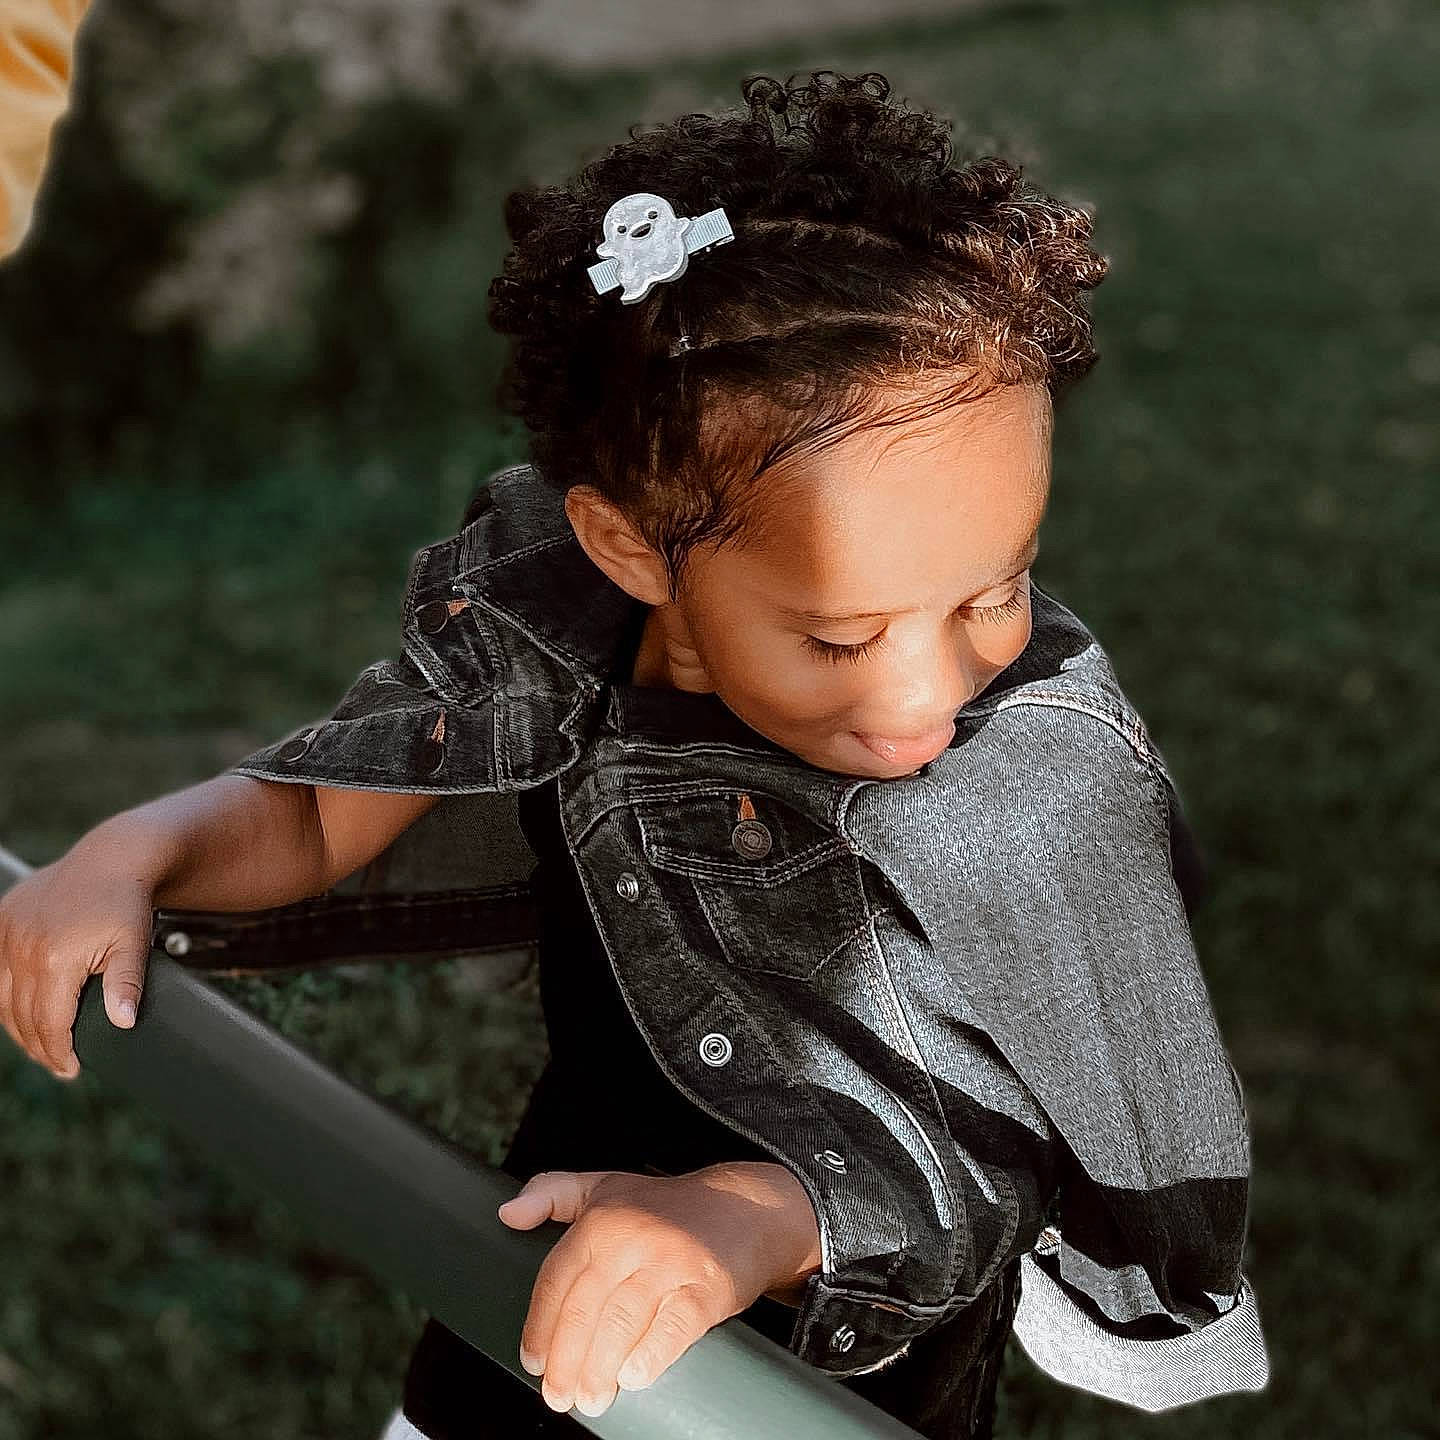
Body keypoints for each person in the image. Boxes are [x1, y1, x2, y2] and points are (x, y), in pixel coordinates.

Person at [0, 70, 1270, 1440]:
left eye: (994, 591)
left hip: (815, 1391)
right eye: (842, 638)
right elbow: (325, 819)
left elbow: (996, 1142)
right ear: (630, 546)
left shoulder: (1028, 780)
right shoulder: (559, 619)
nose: (931, 692)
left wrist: (748, 1221)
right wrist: (140, 851)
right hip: (526, 1322)